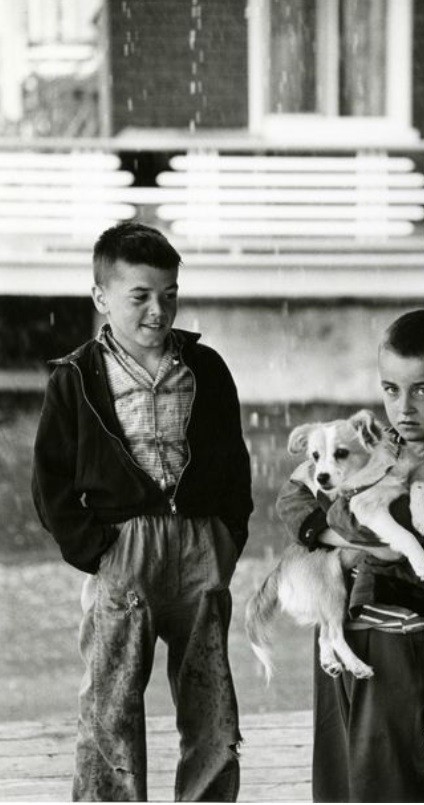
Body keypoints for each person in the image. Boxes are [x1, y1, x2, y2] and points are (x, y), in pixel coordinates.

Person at [32, 221, 253, 802]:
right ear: (101, 297)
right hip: (123, 553)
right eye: (140, 296)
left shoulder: (205, 369)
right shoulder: (76, 378)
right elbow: (50, 479)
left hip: (199, 547)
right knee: (111, 704)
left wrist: (227, 536)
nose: (159, 310)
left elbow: (234, 460)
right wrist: (95, 550)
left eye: (170, 294)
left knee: (210, 704)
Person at [276, 309, 424, 802]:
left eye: (422, 390)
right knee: (339, 771)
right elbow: (291, 494)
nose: (403, 408)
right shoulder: (378, 445)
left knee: (386, 778)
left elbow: (383, 524)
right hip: (340, 621)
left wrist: (337, 517)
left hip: (394, 631)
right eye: (390, 389)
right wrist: (340, 537)